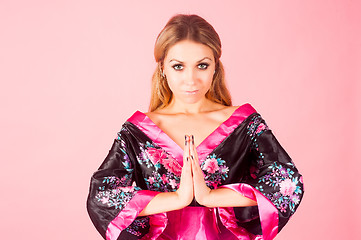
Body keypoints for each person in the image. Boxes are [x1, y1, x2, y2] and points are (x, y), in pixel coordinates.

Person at [86, 14, 304, 240]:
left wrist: (210, 197)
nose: (191, 80)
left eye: (202, 65)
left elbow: (286, 183)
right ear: (162, 68)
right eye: (178, 66)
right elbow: (102, 197)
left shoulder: (244, 124)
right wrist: (178, 199)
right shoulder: (137, 132)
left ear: (215, 68)